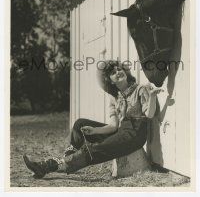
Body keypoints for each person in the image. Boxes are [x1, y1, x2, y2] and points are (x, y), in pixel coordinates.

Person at [23, 60, 163, 179]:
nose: (118, 72)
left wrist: (152, 97)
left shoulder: (141, 89)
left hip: (135, 134)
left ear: (125, 71)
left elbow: (149, 115)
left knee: (94, 149)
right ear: (110, 81)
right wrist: (95, 130)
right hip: (121, 131)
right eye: (113, 73)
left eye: (119, 69)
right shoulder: (115, 98)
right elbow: (114, 126)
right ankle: (68, 158)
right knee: (80, 124)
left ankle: (48, 166)